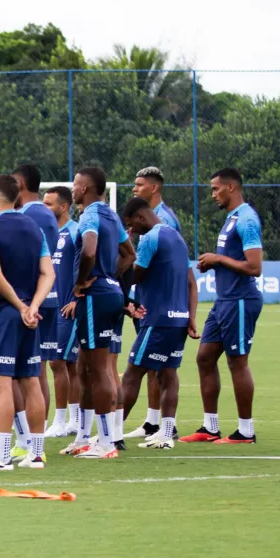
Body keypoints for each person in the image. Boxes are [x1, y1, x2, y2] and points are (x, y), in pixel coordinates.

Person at [0, 175, 54, 471]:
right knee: (31, 381)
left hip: (1, 314)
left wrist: (19, 306)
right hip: (30, 315)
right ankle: (37, 454)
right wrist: (33, 307)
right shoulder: (34, 226)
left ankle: (2, 457)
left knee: (0, 383)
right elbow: (48, 274)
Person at [181, 168, 263, 444]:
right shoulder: (231, 218)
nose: (213, 194)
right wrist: (213, 263)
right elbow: (231, 260)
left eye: (216, 189)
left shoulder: (247, 219)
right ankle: (210, 427)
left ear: (231, 187)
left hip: (240, 301)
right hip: (224, 301)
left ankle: (245, 431)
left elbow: (254, 267)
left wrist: (219, 259)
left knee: (237, 363)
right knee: (204, 357)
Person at [62, 167, 136, 459]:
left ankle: (106, 442)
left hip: (95, 297)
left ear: (87, 188)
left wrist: (82, 282)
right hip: (109, 293)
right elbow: (129, 253)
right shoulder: (111, 215)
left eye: (76, 184)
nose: (73, 187)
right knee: (84, 367)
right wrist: (111, 278)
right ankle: (83, 437)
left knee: (98, 369)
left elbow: (89, 250)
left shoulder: (91, 214)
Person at [119, 197, 199, 448]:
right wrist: (191, 317)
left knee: (132, 374)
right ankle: (165, 433)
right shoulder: (176, 237)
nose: (132, 229)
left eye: (132, 224)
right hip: (178, 319)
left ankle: (111, 434)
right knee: (168, 373)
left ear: (141, 217)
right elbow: (189, 282)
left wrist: (125, 248)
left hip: (157, 319)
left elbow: (135, 275)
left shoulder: (151, 237)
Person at [125, 166, 181, 440]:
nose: (134, 188)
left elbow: (157, 266)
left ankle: (162, 425)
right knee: (152, 364)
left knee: (156, 365)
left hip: (158, 308)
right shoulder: (148, 223)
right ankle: (152, 421)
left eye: (139, 184)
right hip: (148, 301)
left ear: (154, 188)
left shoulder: (164, 223)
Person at [12, 164, 61, 459]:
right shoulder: (44, 212)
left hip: (32, 300)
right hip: (49, 296)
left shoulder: (28, 214)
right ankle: (34, 439)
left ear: (19, 184)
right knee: (38, 370)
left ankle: (30, 440)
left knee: (28, 372)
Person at [42, 186, 81, 439]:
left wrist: (78, 298)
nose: (44, 208)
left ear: (63, 206)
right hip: (49, 307)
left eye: (49, 204)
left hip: (68, 307)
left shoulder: (76, 232)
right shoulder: (46, 233)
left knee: (59, 362)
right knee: (67, 364)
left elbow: (88, 264)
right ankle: (75, 420)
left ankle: (60, 420)